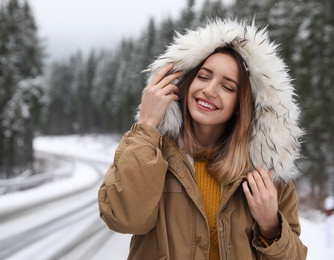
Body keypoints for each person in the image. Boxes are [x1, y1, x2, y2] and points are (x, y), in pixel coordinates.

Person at [98, 19, 308, 259]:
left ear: (241, 105)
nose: (210, 90)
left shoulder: (265, 174)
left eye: (228, 87)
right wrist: (146, 123)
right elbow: (125, 219)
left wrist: (270, 226)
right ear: (185, 83)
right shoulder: (152, 153)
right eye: (203, 76)